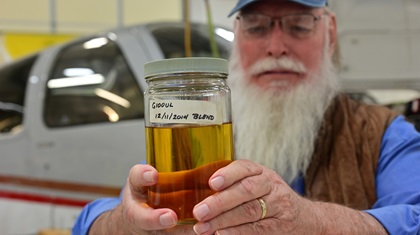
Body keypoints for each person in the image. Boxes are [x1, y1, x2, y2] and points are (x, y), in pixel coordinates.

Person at [73, 0, 420, 234]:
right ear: (237, 37)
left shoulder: (383, 134)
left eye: (298, 26)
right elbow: (91, 220)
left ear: (328, 32)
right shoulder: (199, 125)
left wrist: (309, 220)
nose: (276, 46)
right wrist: (126, 222)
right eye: (256, 27)